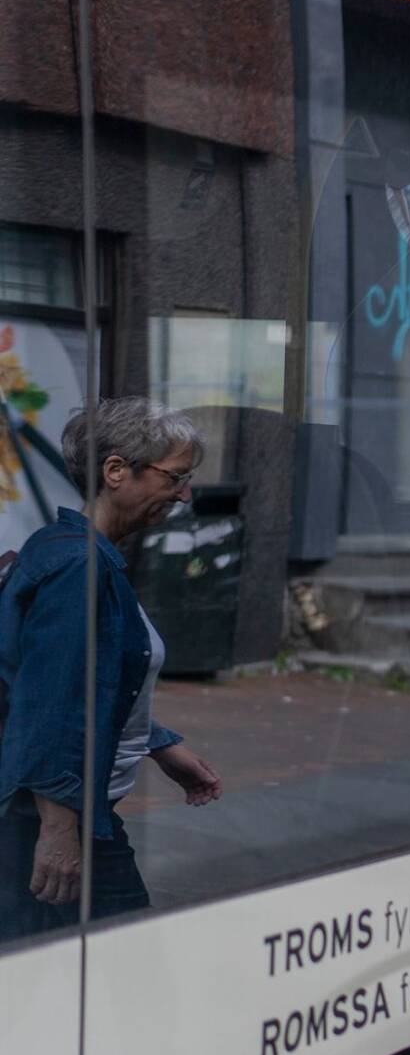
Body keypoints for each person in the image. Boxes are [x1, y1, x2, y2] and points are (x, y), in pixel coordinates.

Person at [0, 397, 223, 943]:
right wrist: (59, 833)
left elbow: (89, 678)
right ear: (117, 471)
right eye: (176, 476)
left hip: (69, 811)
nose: (184, 494)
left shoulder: (81, 554)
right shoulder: (78, 568)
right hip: (54, 818)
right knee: (119, 965)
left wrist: (156, 742)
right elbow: (49, 704)